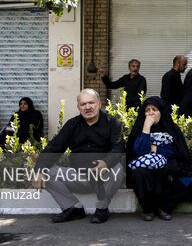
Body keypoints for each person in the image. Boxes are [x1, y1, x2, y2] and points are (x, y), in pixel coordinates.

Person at [32, 89, 125, 224]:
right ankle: (73, 208)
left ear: (99, 104)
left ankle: (102, 209)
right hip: (79, 176)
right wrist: (38, 169)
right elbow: (54, 147)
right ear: (78, 107)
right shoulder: (72, 125)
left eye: (91, 103)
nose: (87, 107)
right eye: (83, 104)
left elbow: (119, 147)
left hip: (104, 177)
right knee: (44, 171)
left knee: (117, 168)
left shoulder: (112, 123)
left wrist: (106, 163)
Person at [126, 97, 192, 221]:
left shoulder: (171, 128)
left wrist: (155, 148)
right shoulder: (140, 129)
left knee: (191, 180)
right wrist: (146, 129)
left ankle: (164, 207)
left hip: (169, 170)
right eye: (147, 110)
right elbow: (140, 153)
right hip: (147, 171)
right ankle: (147, 209)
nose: (150, 113)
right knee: (138, 175)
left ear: (161, 111)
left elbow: (177, 152)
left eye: (154, 110)